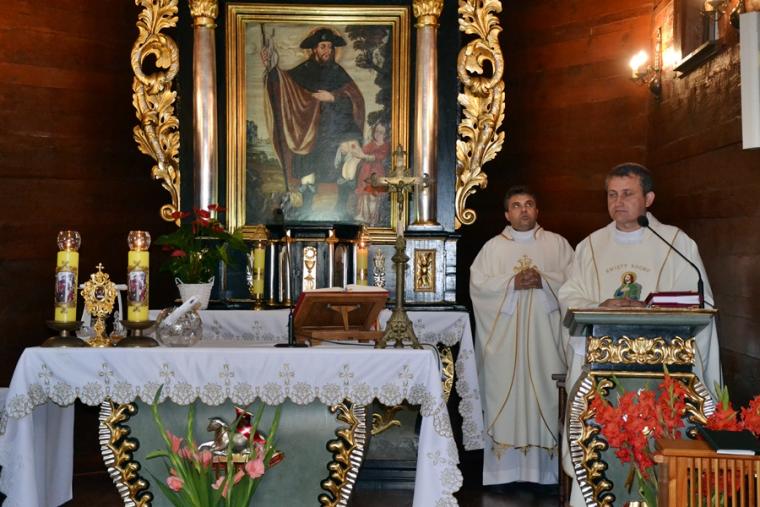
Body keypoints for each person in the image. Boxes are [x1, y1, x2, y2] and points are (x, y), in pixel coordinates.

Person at [557, 162, 722, 505]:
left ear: (648, 199)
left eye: (627, 194)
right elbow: (569, 295)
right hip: (603, 371)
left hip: (663, 374)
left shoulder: (676, 243)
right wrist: (599, 305)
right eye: (612, 195)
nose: (618, 202)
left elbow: (701, 301)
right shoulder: (590, 246)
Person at [470, 186, 574, 485]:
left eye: (529, 204)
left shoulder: (557, 245)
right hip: (505, 347)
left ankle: (546, 475)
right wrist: (511, 283)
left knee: (547, 396)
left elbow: (574, 284)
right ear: (507, 214)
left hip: (546, 344)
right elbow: (478, 287)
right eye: (516, 206)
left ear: (537, 211)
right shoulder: (492, 248)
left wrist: (545, 281)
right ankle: (503, 473)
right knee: (505, 399)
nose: (523, 210)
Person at [262, 27, 366, 217]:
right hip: (308, 135)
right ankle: (304, 213)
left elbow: (355, 99)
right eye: (323, 46)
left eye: (330, 47)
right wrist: (271, 67)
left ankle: (341, 213)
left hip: (333, 135)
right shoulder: (303, 71)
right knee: (307, 176)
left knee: (339, 173)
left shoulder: (337, 71)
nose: (327, 51)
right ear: (314, 49)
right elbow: (284, 84)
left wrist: (332, 97)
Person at [354, 122, 391, 224]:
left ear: (385, 134)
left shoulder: (385, 146)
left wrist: (364, 156)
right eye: (376, 131)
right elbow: (363, 151)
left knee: (373, 196)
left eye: (381, 132)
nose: (378, 134)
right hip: (365, 172)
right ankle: (363, 217)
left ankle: (373, 220)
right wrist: (357, 152)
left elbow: (378, 157)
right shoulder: (371, 144)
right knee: (364, 195)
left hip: (376, 173)